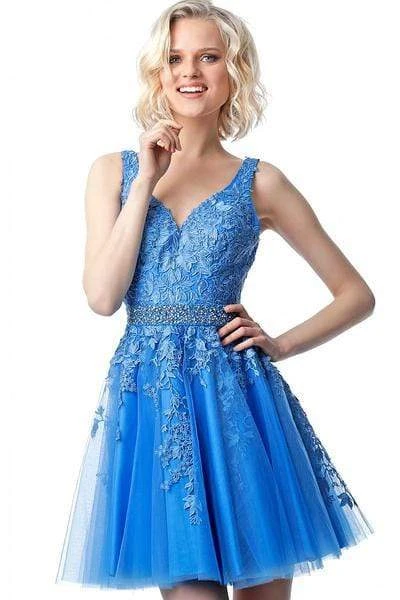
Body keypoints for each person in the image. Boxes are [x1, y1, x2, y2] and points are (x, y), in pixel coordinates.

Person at [55, 1, 375, 599]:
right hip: (155, 403)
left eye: (208, 56)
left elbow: (356, 294)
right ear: (158, 71)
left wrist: (280, 344)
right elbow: (102, 296)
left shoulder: (261, 181)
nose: (189, 71)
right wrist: (146, 182)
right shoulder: (113, 172)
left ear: (235, 70)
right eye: (175, 57)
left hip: (238, 401)